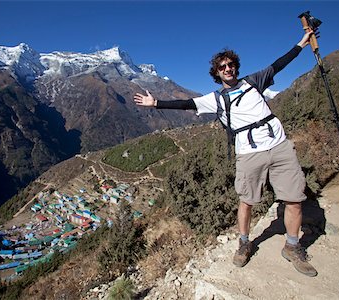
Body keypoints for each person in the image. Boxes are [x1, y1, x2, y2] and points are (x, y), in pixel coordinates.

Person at [133, 30, 318, 277]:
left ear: (236, 67)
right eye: (222, 67)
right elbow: (188, 104)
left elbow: (279, 64)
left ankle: (293, 247)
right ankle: (244, 242)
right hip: (249, 153)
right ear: (217, 73)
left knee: (294, 198)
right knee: (247, 200)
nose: (228, 69)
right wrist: (157, 104)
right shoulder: (215, 99)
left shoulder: (255, 81)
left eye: (231, 65)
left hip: (279, 146)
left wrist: (302, 44)